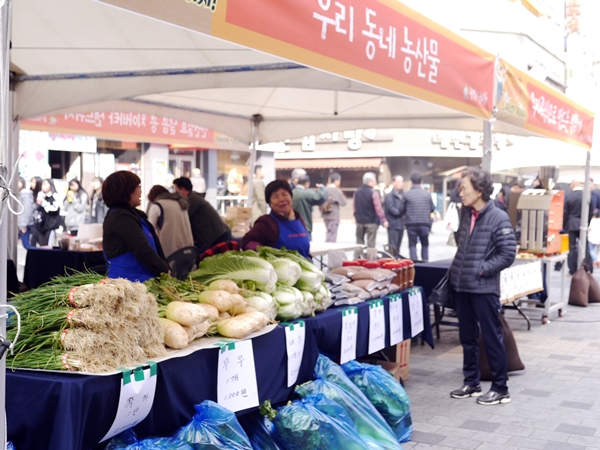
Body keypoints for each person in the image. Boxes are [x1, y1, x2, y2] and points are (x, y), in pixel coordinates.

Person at [449, 167, 516, 405]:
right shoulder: (467, 214)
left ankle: (500, 388)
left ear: (479, 189)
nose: (461, 194)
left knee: (491, 337)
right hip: (463, 286)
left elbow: (508, 254)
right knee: (467, 337)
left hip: (484, 288)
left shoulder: (498, 217)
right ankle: (471, 383)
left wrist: (481, 268)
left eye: (464, 188)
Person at [102, 171, 170, 282]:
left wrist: (165, 269)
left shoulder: (133, 215)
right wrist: (164, 271)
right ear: (125, 191)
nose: (141, 190)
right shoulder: (120, 217)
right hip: (128, 285)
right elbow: (142, 248)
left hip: (144, 282)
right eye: (137, 186)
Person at [241, 179, 310, 258]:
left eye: (284, 194)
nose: (281, 199)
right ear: (270, 203)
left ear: (291, 197)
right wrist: (264, 253)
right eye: (275, 196)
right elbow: (246, 241)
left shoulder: (299, 219)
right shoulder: (266, 223)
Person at [172, 177, 231, 253]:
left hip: (218, 235)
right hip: (217, 234)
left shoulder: (192, 200)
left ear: (183, 189)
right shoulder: (193, 198)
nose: (175, 193)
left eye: (176, 189)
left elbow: (183, 218)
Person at [146, 185, 194, 258]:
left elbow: (149, 228)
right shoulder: (181, 203)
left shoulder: (157, 205)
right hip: (188, 248)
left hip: (170, 250)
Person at [354, 172, 388, 258]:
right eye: (375, 180)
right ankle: (370, 260)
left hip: (360, 221)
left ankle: (356, 259)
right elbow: (378, 209)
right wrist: (383, 220)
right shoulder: (373, 193)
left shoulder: (357, 192)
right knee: (371, 244)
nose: (375, 182)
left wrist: (356, 217)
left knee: (359, 243)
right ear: (371, 181)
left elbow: (354, 207)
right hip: (371, 222)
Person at [403, 173, 435, 262]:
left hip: (411, 224)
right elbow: (432, 208)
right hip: (425, 223)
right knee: (425, 244)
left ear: (411, 182)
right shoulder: (427, 194)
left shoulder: (407, 194)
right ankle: (425, 262)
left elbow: (401, 209)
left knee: (412, 244)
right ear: (421, 182)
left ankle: (414, 263)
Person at [564, 179, 594, 275]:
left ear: (573, 185)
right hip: (583, 224)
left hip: (572, 224)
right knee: (585, 247)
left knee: (572, 248)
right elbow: (591, 211)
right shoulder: (587, 196)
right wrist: (587, 223)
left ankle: (573, 269)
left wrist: (565, 226)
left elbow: (565, 213)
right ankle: (588, 268)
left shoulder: (568, 196)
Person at [292, 175, 327, 239]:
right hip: (305, 226)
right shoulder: (306, 194)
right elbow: (320, 196)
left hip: (291, 226)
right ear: (307, 183)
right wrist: (322, 188)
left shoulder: (291, 193)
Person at [30, 178, 61, 247]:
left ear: (51, 185)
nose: (43, 186)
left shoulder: (55, 196)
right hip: (41, 225)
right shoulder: (42, 195)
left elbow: (54, 209)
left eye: (45, 184)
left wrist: (44, 202)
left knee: (48, 246)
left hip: (50, 225)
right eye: (42, 185)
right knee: (41, 245)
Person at [320, 173, 347, 243]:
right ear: (336, 181)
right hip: (334, 215)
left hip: (325, 215)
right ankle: (329, 251)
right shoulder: (336, 190)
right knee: (332, 236)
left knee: (329, 233)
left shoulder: (325, 189)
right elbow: (344, 202)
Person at [384, 175, 405, 258]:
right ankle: (392, 262)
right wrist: (402, 212)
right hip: (393, 224)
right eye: (398, 181)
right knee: (393, 247)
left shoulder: (404, 195)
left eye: (402, 181)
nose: (401, 184)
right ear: (393, 183)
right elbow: (391, 209)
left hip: (401, 224)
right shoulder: (389, 195)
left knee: (398, 247)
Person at [17, 177, 35, 249]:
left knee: (26, 245)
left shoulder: (25, 194)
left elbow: (27, 211)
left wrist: (23, 225)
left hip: (24, 224)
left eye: (19, 182)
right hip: (21, 223)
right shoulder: (20, 194)